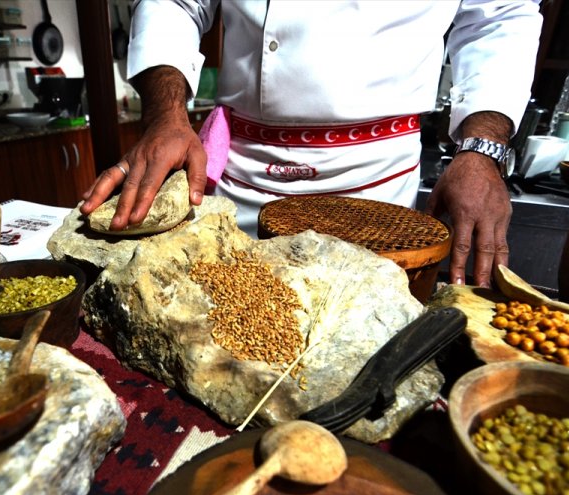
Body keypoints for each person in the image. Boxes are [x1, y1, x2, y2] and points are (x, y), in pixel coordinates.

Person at [80, 0, 543, 288]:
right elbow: (174, 3)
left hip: (372, 177)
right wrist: (166, 115)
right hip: (241, 172)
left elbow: (499, 18)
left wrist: (484, 147)